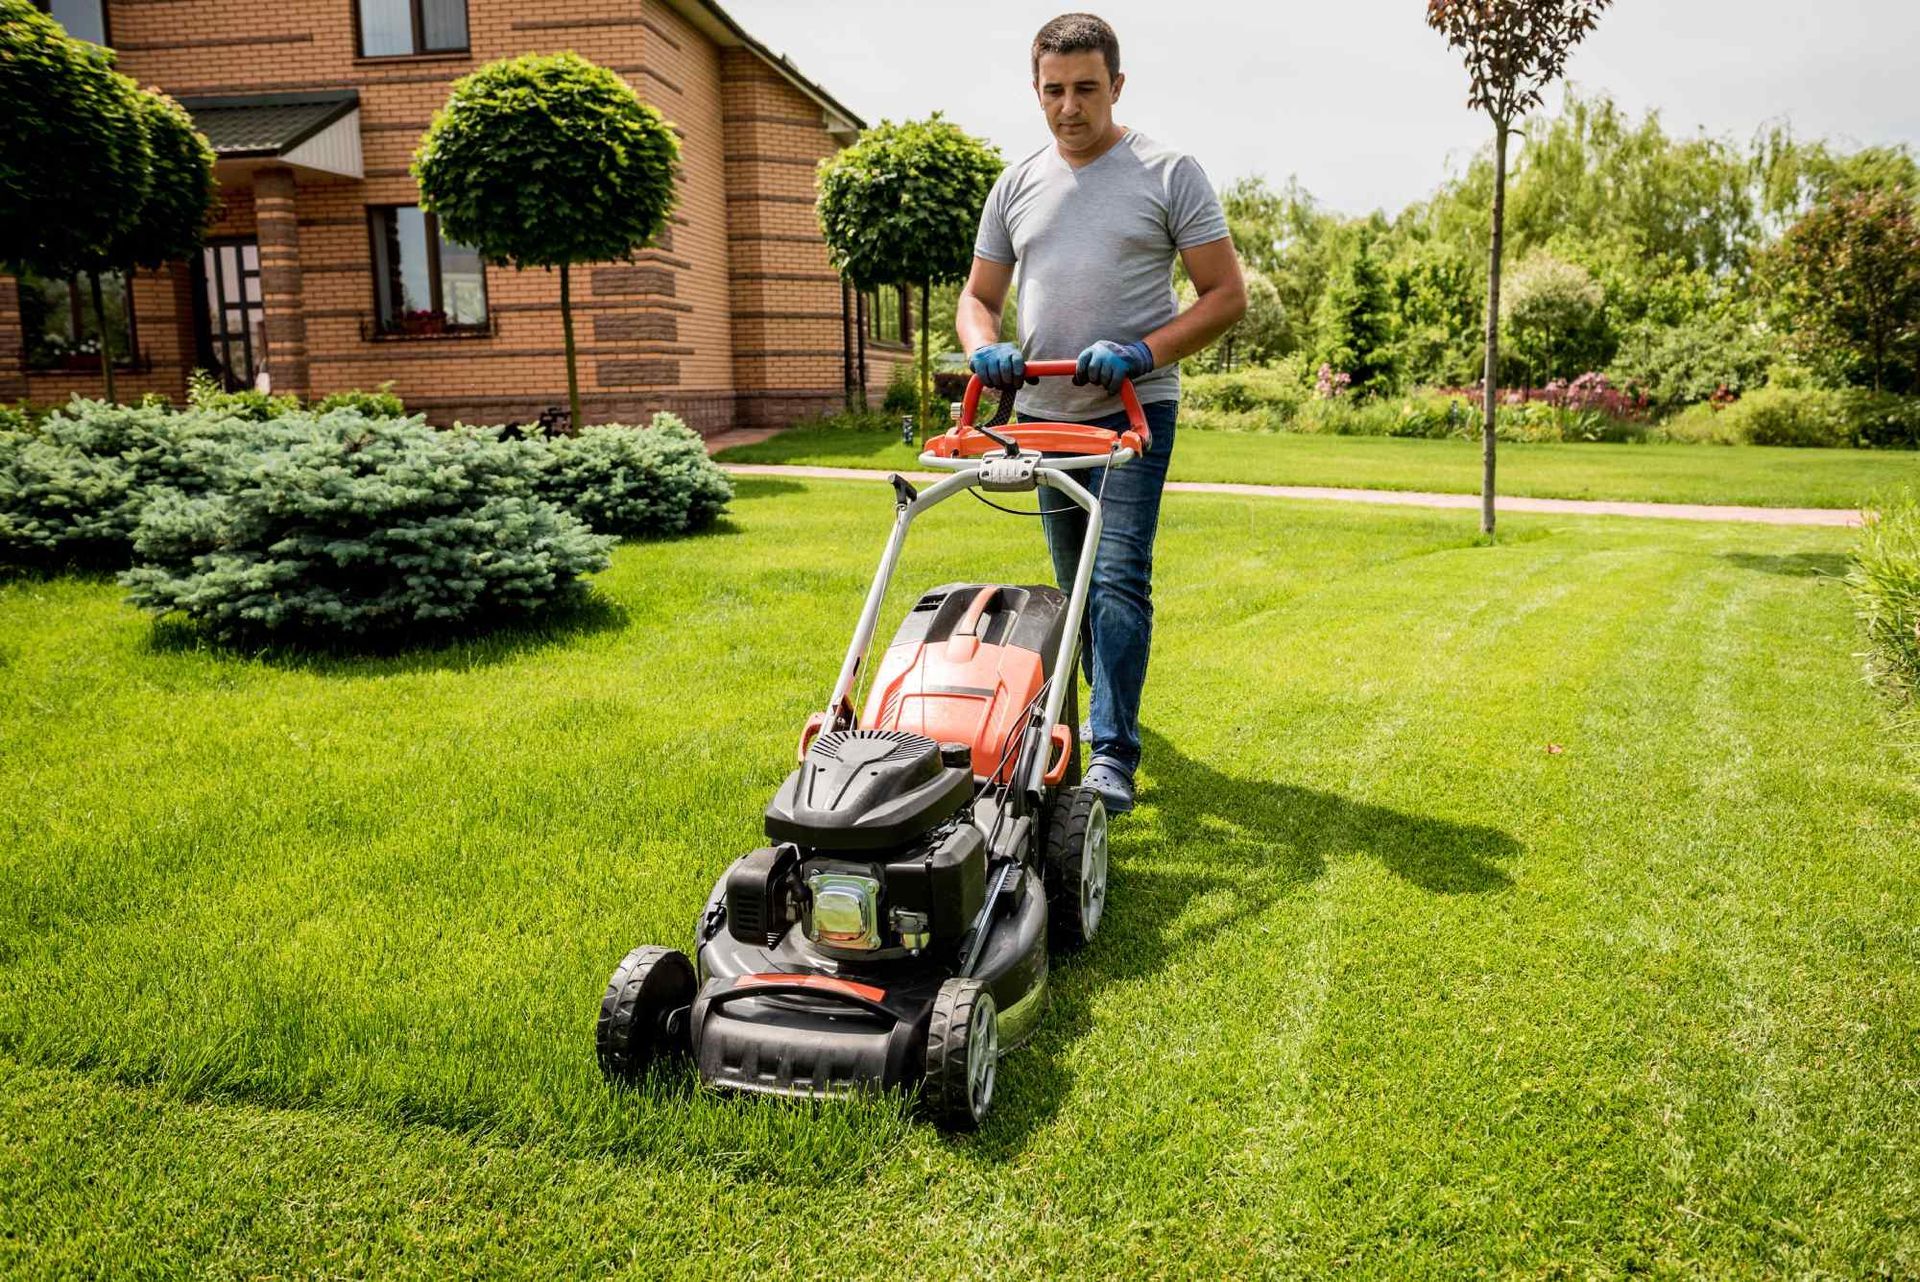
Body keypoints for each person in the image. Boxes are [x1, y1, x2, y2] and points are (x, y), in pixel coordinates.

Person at [956, 12, 1247, 815]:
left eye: (1087, 89)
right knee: (1073, 585)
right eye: (1054, 91)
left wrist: (1144, 352)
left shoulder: (1167, 171)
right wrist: (984, 345)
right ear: (1036, 89)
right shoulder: (1016, 184)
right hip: (1046, 415)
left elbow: (1226, 295)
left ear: (1117, 85)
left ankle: (1113, 753)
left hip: (1128, 409)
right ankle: (1072, 729)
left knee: (1117, 576)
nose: (1069, 107)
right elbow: (979, 298)